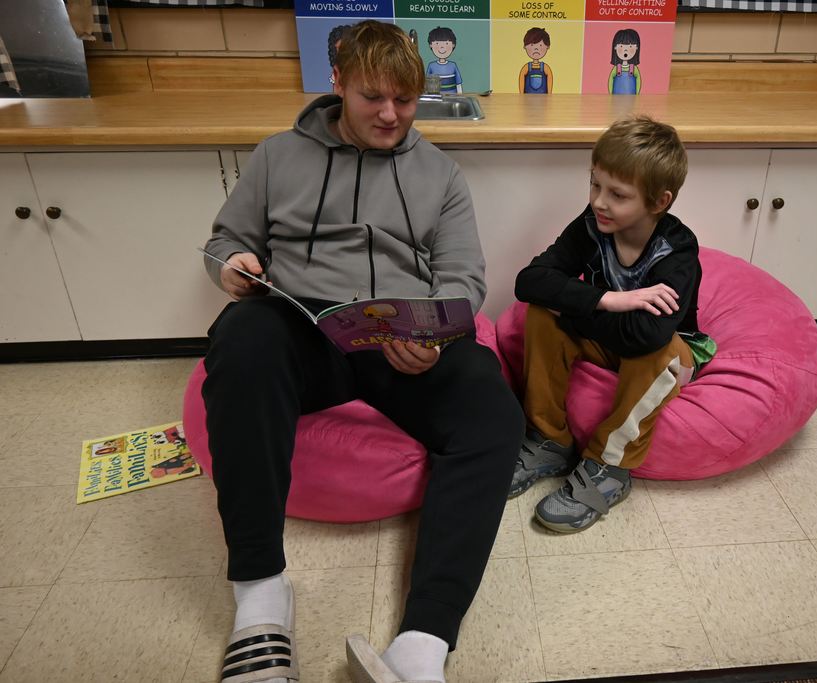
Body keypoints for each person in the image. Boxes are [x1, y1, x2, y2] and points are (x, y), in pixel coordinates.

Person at [201, 20, 523, 683]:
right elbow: (225, 238)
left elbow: (463, 278)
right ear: (338, 82)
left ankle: (424, 641)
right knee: (239, 339)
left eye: (405, 101)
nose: (390, 115)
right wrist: (229, 265)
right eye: (374, 97)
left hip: (398, 342)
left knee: (494, 411)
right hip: (301, 332)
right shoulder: (275, 157)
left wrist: (433, 333)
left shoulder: (440, 173)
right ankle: (261, 595)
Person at [509, 115, 715, 533]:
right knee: (541, 313)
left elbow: (645, 336)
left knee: (659, 352)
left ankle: (609, 469)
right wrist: (609, 299)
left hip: (666, 354)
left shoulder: (677, 253)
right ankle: (550, 439)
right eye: (595, 185)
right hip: (612, 336)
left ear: (659, 201)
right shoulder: (593, 225)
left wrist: (578, 308)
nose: (600, 201)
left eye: (617, 194)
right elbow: (529, 282)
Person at [426, 26, 463, 94]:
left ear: (453, 45)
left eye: (446, 43)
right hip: (436, 98)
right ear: (431, 45)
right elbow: (427, 84)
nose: (442, 47)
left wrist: (460, 96)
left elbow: (458, 83)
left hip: (452, 97)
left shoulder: (453, 65)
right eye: (437, 43)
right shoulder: (431, 65)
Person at [518, 27, 552, 94]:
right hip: (528, 99)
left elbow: (549, 79)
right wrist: (521, 95)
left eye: (540, 45)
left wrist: (549, 95)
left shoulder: (545, 67)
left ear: (547, 47)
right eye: (532, 45)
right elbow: (521, 78)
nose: (536, 48)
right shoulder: (527, 67)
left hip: (543, 99)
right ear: (525, 47)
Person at [608, 28, 642, 95]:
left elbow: (638, 79)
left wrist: (637, 94)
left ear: (636, 48)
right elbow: (611, 79)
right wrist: (610, 93)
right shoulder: (616, 68)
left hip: (631, 98)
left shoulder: (634, 68)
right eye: (621, 46)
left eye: (630, 46)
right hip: (616, 98)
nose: (625, 50)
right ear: (615, 47)